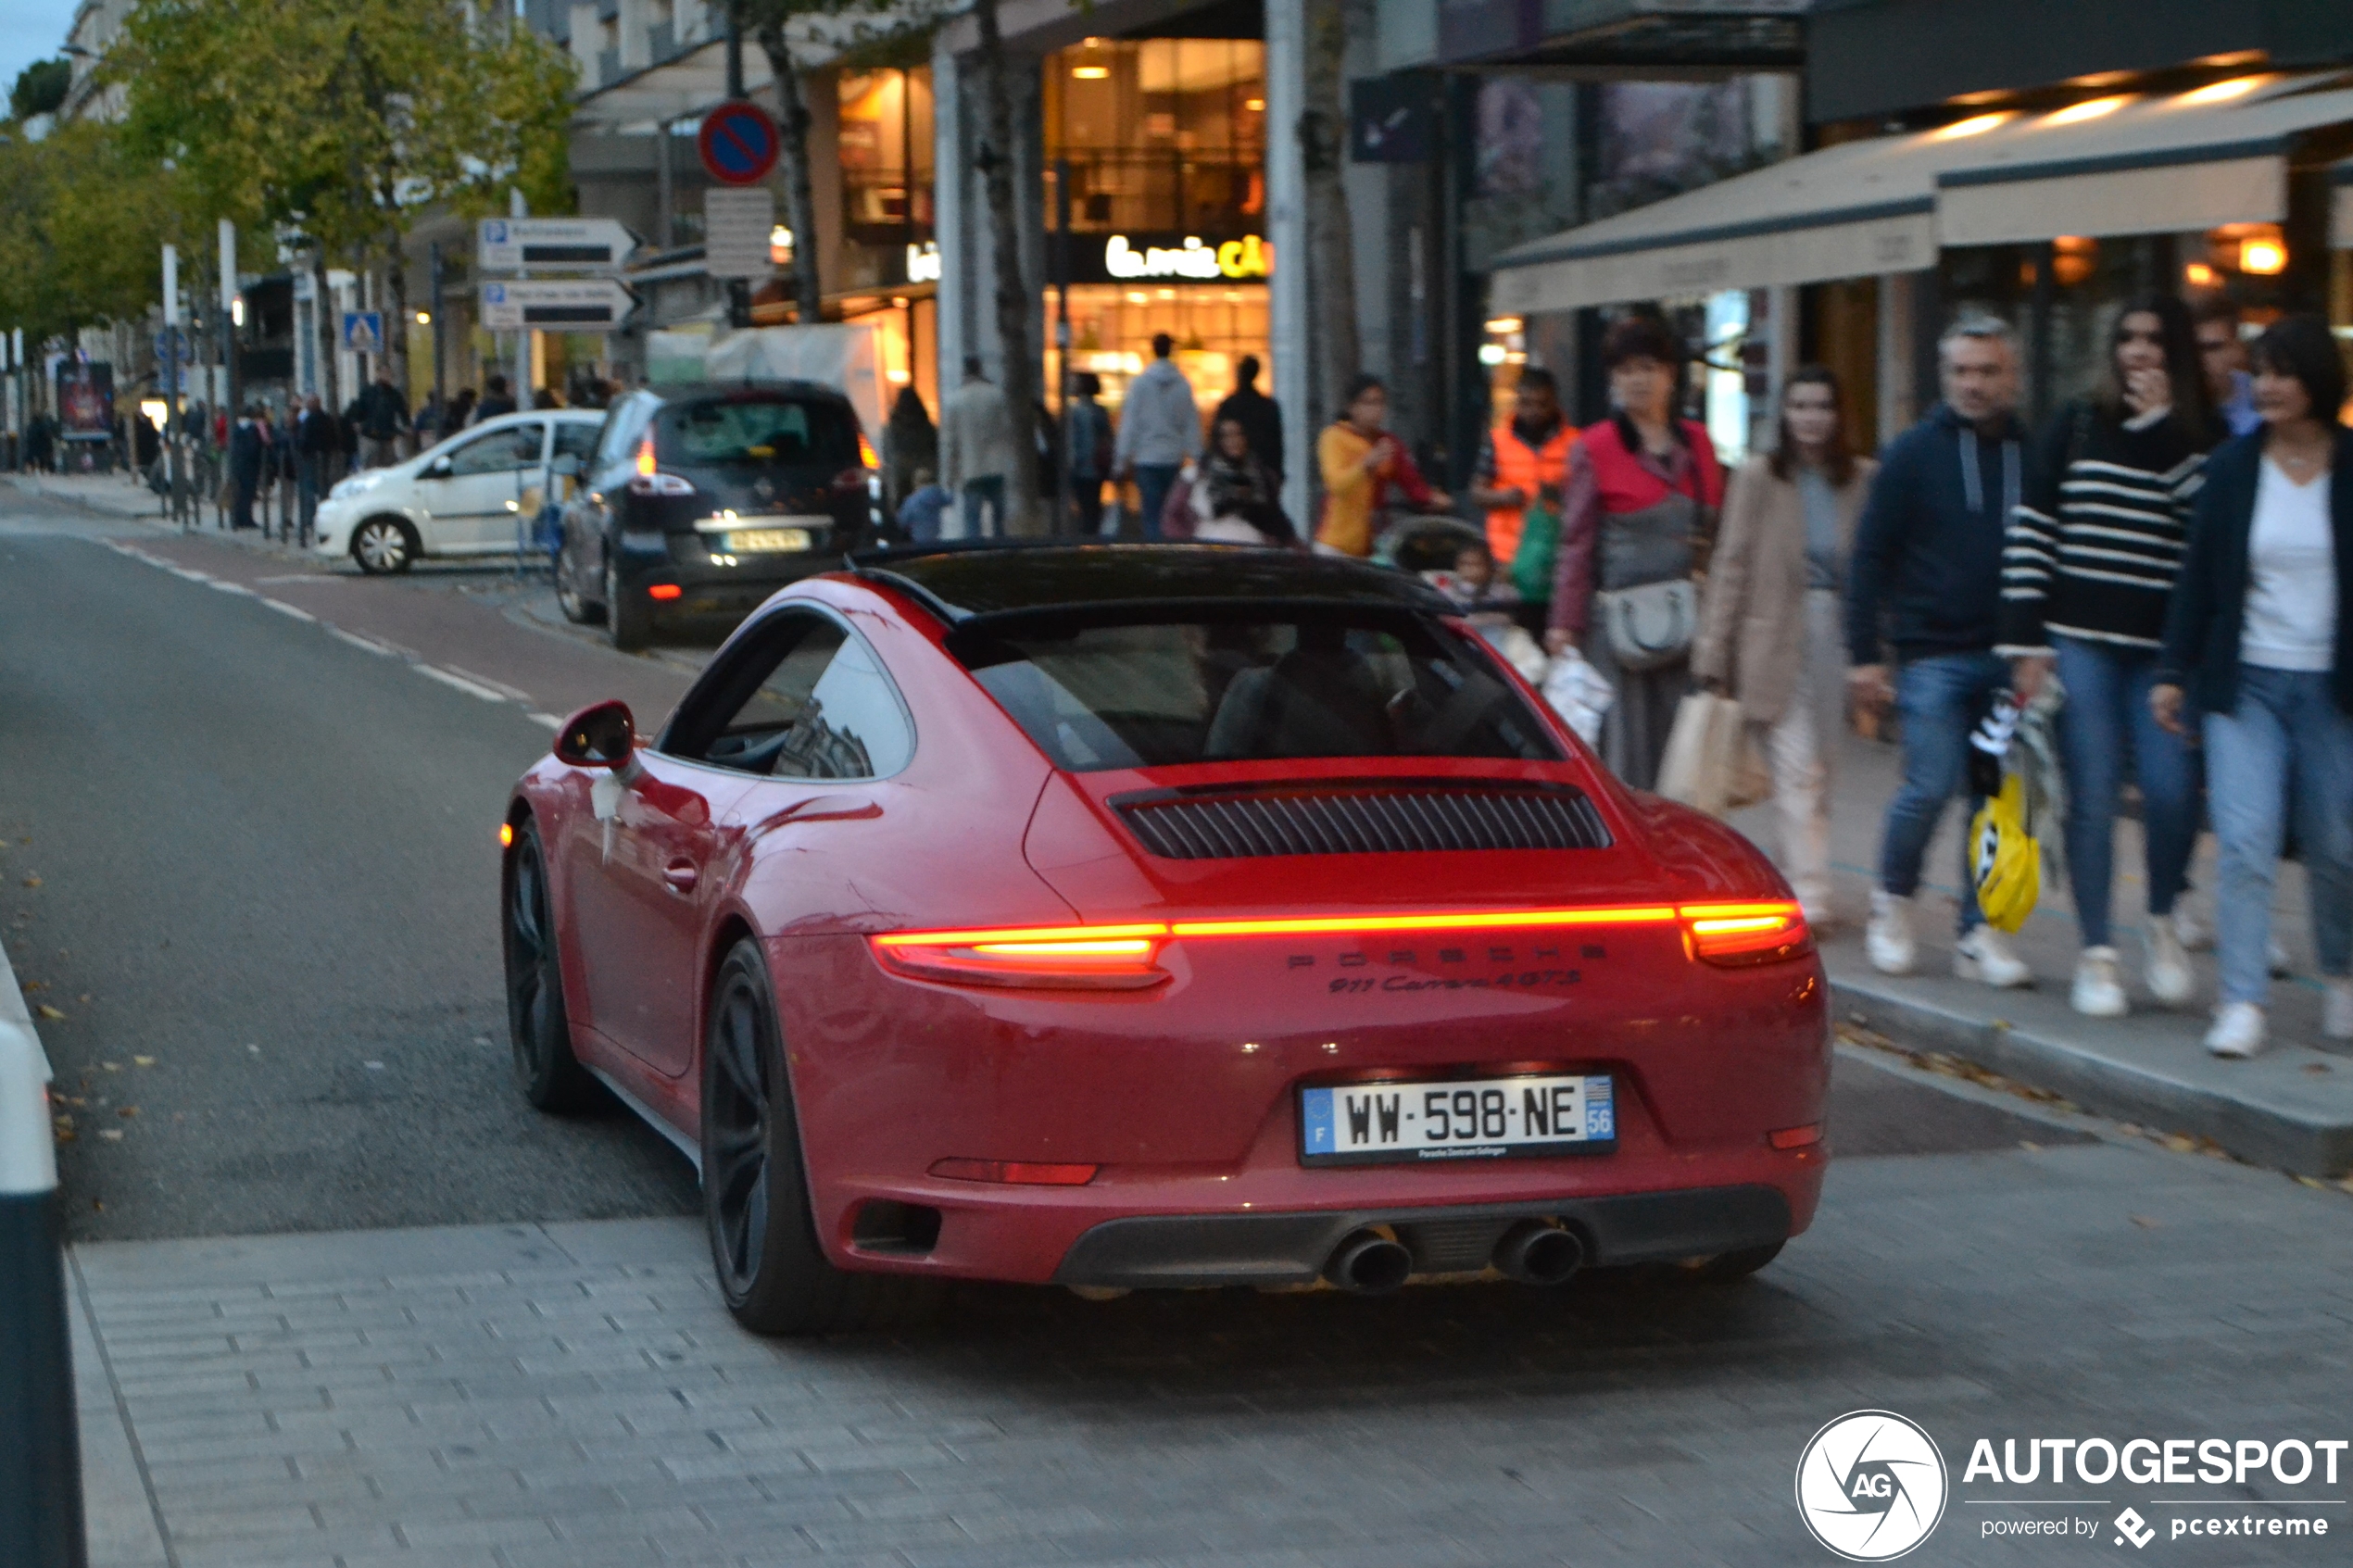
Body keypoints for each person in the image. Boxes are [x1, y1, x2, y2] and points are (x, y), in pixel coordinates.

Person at [1999, 295, 2221, 1017]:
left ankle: (2159, 917)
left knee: (2169, 791)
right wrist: (2025, 641)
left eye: (2154, 340)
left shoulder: (2199, 431)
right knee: (2090, 797)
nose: (2139, 351)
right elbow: (2031, 531)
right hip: (2078, 640)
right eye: (2127, 338)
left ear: (2175, 352)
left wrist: (2161, 432)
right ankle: (2098, 952)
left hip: (2161, 651)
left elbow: (2209, 528)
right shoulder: (2076, 421)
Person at [2153, 315, 2353, 1059]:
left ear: (2317, 382)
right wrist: (2173, 672)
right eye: (2259, 372)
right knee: (2244, 839)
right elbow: (2198, 580)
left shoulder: (2350, 463)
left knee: (2337, 843)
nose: (2264, 386)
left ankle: (2341, 973)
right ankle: (2242, 1000)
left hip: (2333, 687)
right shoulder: (2235, 467)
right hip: (2247, 685)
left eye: (2281, 372)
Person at [1845, 315, 2034, 987]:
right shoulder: (1911, 454)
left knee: (1996, 799)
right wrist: (1864, 654)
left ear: (2010, 374)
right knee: (1929, 783)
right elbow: (1869, 555)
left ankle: (1980, 930)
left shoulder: (2032, 453)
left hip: (2011, 656)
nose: (1974, 384)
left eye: (1988, 370)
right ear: (1944, 374)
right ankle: (1892, 903)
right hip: (1931, 653)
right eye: (1962, 371)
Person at [1692, 366, 1876, 928]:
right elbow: (1731, 564)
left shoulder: (1865, 478)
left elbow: (1878, 567)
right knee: (1797, 768)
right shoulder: (1758, 477)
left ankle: (1799, 868)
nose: (1811, 418)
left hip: (1840, 635)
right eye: (1799, 406)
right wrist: (1712, 655)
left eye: (1822, 406)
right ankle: (1809, 892)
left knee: (1825, 766)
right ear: (1783, 414)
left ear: (1839, 414)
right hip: (1773, 637)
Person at [1543, 315, 1723, 790]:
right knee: (1627, 761)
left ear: (1670, 373)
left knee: (1687, 764)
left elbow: (1722, 540)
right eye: (1624, 370)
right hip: (1617, 634)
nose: (1637, 380)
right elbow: (1576, 544)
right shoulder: (1593, 448)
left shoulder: (1700, 443)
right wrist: (1565, 625)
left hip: (1689, 626)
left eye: (1647, 367)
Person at [1315, 374, 1447, 558]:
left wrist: (1432, 498)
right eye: (1368, 403)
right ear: (1351, 407)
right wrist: (1366, 465)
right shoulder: (1334, 437)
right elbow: (1337, 484)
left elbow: (1411, 483)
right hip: (1336, 544)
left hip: (1374, 544)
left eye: (1380, 403)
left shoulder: (1389, 443)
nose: (1375, 410)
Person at [1466, 367, 1575, 572]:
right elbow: (1476, 493)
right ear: (1517, 402)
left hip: (1557, 554)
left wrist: (1561, 494)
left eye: (1541, 404)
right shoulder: (1497, 441)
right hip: (1507, 556)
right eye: (1526, 403)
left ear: (1554, 403)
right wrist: (1504, 498)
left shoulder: (1575, 443)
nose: (1533, 411)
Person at [1114, 333, 1202, 540]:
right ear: (1171, 351)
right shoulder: (1183, 385)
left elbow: (1130, 425)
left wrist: (1120, 460)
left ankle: (1154, 549)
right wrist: (1198, 456)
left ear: (1153, 350)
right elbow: (1191, 424)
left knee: (1151, 514)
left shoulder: (1140, 384)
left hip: (1146, 459)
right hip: (1173, 458)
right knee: (1171, 514)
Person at [1184, 416, 1293, 546]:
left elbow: (1274, 515)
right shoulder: (1200, 473)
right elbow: (1174, 516)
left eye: (1238, 434)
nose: (1233, 441)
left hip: (1254, 546)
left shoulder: (1261, 474)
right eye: (1226, 436)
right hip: (1212, 545)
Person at [940, 357, 1016, 537]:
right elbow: (1008, 431)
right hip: (996, 467)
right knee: (999, 521)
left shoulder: (955, 401)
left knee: (972, 521)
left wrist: (949, 477)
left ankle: (975, 554)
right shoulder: (997, 396)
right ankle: (999, 554)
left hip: (970, 469)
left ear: (964, 372)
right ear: (981, 369)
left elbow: (951, 443)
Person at [2192, 294, 2261, 438]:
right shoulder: (2162, 405)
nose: (2201, 358)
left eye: (2213, 348)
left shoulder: (2262, 396)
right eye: (2191, 348)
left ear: (2238, 349)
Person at [1212, 354, 1283, 485]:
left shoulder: (1229, 405)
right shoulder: (1268, 406)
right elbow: (1276, 444)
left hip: (1231, 471)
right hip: (1263, 470)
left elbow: (1215, 440)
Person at [1063, 372, 1113, 536]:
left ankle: (1087, 538)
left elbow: (1073, 441)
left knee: (1085, 508)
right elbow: (1108, 437)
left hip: (1081, 467)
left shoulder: (1075, 411)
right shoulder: (1100, 410)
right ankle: (1093, 535)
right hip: (1098, 467)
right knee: (1094, 505)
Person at [884, 385, 938, 514]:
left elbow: (888, 454)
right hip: (923, 475)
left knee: (902, 512)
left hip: (901, 475)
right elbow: (934, 449)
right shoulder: (926, 426)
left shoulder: (892, 427)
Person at [296, 394, 337, 544]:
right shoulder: (327, 419)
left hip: (310, 458)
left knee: (308, 488)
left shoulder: (309, 420)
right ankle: (324, 516)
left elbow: (303, 440)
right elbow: (333, 438)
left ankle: (310, 518)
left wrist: (303, 452)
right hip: (324, 457)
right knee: (323, 487)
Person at [227, 404, 267, 531]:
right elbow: (254, 447)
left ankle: (238, 518)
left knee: (240, 492)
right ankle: (246, 519)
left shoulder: (237, 427)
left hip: (238, 464)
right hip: (250, 464)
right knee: (248, 492)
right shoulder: (252, 428)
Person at [356, 370, 409, 468]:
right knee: (371, 463)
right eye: (384, 374)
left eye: (388, 375)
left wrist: (406, 425)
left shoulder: (394, 394)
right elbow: (359, 409)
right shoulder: (368, 392)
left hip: (386, 435)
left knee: (386, 464)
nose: (386, 377)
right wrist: (358, 423)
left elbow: (403, 412)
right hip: (371, 435)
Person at [895, 467, 950, 543]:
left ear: (916, 481)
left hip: (919, 541)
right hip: (937, 539)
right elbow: (951, 500)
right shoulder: (939, 495)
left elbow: (902, 522)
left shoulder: (912, 500)